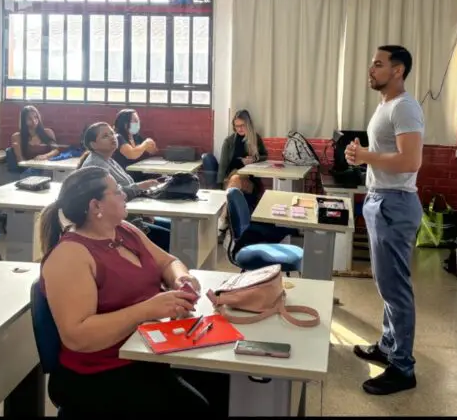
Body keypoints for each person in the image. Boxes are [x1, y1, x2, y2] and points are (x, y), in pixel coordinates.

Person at [38, 167, 228, 416]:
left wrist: (181, 278)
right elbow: (77, 336)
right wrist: (146, 310)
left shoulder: (124, 230)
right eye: (117, 192)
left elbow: (168, 262)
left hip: (145, 352)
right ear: (96, 206)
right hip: (98, 374)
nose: (125, 195)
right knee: (197, 409)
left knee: (222, 382)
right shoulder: (70, 256)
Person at [345, 45, 424, 396]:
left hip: (395, 204)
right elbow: (384, 156)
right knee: (386, 284)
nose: (371, 68)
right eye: (371, 62)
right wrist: (360, 158)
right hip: (381, 201)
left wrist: (366, 155)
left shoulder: (405, 106)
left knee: (396, 289)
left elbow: (410, 162)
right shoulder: (386, 106)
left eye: (378, 64)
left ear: (398, 70)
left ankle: (403, 368)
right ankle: (389, 346)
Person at [78, 122, 171, 251]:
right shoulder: (96, 165)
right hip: (115, 223)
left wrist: (142, 210)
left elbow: (122, 189)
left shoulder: (108, 159)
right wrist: (140, 186)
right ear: (93, 145)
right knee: (170, 237)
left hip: (130, 215)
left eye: (112, 133)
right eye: (105, 136)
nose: (112, 137)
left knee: (173, 227)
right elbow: (113, 196)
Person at [217, 110, 297, 251]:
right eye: (236, 126)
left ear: (249, 124)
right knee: (235, 177)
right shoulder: (229, 141)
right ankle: (224, 220)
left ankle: (223, 221)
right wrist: (218, 186)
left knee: (239, 178)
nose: (240, 129)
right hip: (231, 180)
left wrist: (254, 159)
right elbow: (223, 167)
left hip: (250, 181)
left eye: (242, 125)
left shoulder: (255, 139)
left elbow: (265, 156)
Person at [112, 109, 158, 180]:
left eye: (138, 121)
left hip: (139, 173)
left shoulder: (136, 137)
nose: (138, 123)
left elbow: (153, 151)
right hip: (124, 176)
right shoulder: (118, 137)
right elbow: (132, 155)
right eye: (135, 121)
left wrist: (151, 146)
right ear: (125, 124)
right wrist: (146, 144)